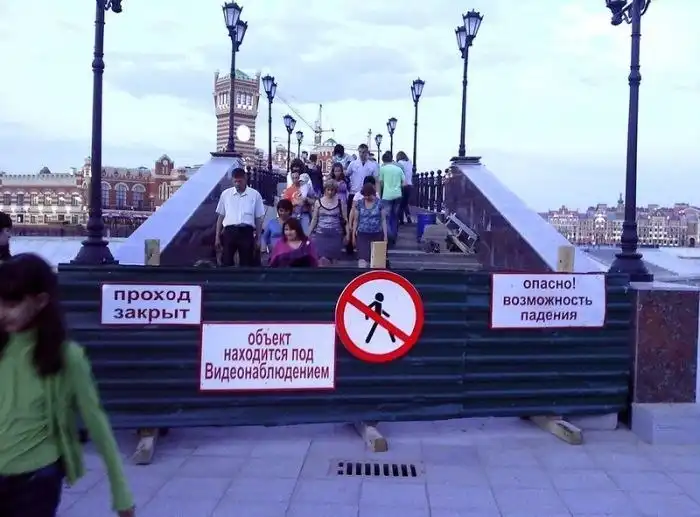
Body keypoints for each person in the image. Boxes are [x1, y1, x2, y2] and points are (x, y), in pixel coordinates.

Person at [0, 253, 134, 517]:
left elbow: (97, 423)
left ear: (41, 301)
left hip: (35, 483)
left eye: (12, 303)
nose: (2, 312)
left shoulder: (66, 356)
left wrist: (122, 494)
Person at [215, 167, 266, 267]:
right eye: (235, 181)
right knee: (227, 261)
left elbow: (258, 218)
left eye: (240, 181)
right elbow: (220, 216)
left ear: (245, 178)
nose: (237, 184)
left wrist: (258, 238)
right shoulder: (226, 194)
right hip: (229, 231)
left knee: (246, 263)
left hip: (246, 232)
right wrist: (217, 237)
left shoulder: (255, 195)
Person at [308, 179, 348, 265]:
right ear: (325, 190)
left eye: (332, 190)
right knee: (321, 261)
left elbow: (345, 219)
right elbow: (314, 219)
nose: (330, 192)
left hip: (336, 234)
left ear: (335, 191)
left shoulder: (340, 202)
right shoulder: (318, 202)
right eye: (328, 190)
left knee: (335, 261)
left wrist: (348, 234)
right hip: (321, 234)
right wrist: (308, 233)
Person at [351, 182, 387, 268]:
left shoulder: (380, 203)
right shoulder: (359, 203)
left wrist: (385, 236)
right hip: (362, 235)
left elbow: (383, 220)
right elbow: (356, 220)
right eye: (365, 195)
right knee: (362, 261)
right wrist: (353, 235)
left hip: (377, 235)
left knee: (377, 262)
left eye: (368, 195)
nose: (366, 197)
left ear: (372, 193)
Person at [378, 151, 405, 246]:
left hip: (387, 196)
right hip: (398, 195)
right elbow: (404, 183)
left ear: (383, 161)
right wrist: (398, 187)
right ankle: (394, 236)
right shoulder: (399, 169)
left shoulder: (382, 169)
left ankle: (390, 236)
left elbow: (381, 183)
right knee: (395, 217)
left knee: (386, 217)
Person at [396, 151, 414, 224]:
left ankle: (401, 220)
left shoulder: (400, 163)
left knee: (400, 203)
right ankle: (408, 217)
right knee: (405, 203)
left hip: (402, 185)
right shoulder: (410, 162)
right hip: (409, 184)